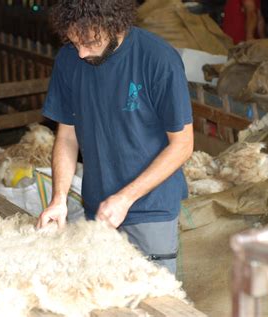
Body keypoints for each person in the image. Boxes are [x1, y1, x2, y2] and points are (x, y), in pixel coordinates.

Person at [36, 0, 194, 275]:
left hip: (150, 209)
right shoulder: (68, 60)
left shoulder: (158, 59)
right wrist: (59, 199)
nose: (82, 53)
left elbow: (182, 145)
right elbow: (67, 137)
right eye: (75, 42)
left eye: (90, 42)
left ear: (114, 24)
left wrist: (125, 198)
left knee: (155, 301)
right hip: (97, 208)